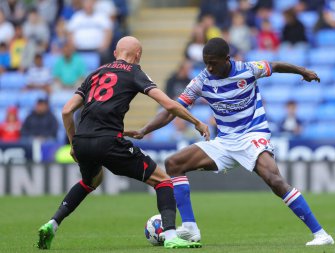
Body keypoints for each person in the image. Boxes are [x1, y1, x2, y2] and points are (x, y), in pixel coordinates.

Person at [125, 37, 335, 246]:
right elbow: (173, 109)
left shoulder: (248, 69)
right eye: (205, 62)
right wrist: (145, 130)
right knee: (174, 164)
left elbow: (277, 65)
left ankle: (321, 234)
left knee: (274, 180)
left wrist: (303, 71)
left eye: (212, 62)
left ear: (226, 59)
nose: (208, 67)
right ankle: (190, 228)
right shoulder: (202, 80)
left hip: (253, 135)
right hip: (225, 142)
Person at [36, 36, 209, 250]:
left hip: (82, 140)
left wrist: (73, 144)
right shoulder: (134, 72)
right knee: (164, 181)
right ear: (138, 55)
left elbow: (66, 111)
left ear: (116, 53)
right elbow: (168, 104)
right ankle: (171, 235)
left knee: (90, 181)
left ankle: (53, 223)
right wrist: (197, 122)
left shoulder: (95, 73)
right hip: (109, 142)